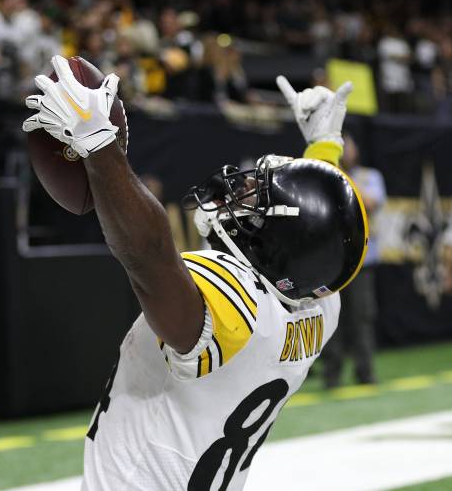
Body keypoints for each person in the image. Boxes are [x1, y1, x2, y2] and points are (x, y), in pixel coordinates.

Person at [22, 56, 367, 490]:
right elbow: (321, 233)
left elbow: (148, 258)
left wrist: (97, 142)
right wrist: (324, 149)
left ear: (277, 244)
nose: (239, 195)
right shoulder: (321, 302)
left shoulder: (237, 307)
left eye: (256, 201)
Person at [323, 133, 385, 388]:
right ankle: (332, 375)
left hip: (363, 262)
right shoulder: (325, 179)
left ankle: (365, 372)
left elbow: (369, 203)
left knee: (362, 318)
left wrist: (341, 178)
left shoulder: (370, 176)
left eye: (349, 144)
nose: (347, 149)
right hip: (333, 263)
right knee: (330, 320)